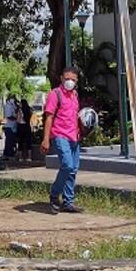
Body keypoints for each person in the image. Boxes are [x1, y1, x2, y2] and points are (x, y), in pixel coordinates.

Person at [41, 67, 83, 213]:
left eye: (73, 79)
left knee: (73, 170)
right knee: (67, 165)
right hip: (60, 135)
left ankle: (68, 201)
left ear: (77, 81)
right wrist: (46, 139)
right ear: (61, 78)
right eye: (67, 79)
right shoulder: (55, 94)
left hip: (74, 137)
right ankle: (54, 195)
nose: (70, 82)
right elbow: (49, 116)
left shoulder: (75, 95)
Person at [16, 99, 34, 164]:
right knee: (28, 142)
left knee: (20, 142)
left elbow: (18, 120)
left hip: (21, 126)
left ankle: (20, 157)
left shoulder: (20, 110)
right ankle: (29, 157)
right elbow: (30, 116)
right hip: (27, 126)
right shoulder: (30, 109)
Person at [3, 94, 18, 160]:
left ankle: (6, 155)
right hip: (9, 126)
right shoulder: (8, 106)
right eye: (13, 98)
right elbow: (9, 116)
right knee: (9, 142)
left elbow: (16, 111)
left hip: (13, 126)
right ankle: (9, 155)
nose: (14, 99)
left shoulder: (13, 105)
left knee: (10, 142)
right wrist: (16, 118)